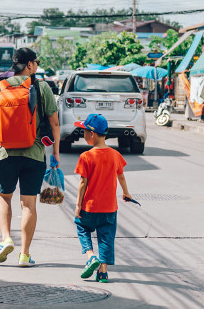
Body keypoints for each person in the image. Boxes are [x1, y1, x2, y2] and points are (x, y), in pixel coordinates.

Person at [0, 47, 60, 268]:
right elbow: (55, 124)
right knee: (28, 204)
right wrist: (56, 155)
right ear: (30, 65)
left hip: (5, 153)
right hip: (34, 154)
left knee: (3, 197)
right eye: (36, 62)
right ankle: (24, 254)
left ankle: (5, 238)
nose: (37, 66)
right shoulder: (42, 88)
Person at [73, 114, 132, 284]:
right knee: (106, 238)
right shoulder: (115, 155)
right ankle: (103, 273)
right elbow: (120, 176)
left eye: (84, 130)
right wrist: (126, 192)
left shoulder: (86, 156)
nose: (82, 133)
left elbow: (83, 183)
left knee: (81, 227)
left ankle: (91, 257)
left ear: (92, 134)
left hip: (89, 207)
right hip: (109, 208)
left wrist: (78, 206)